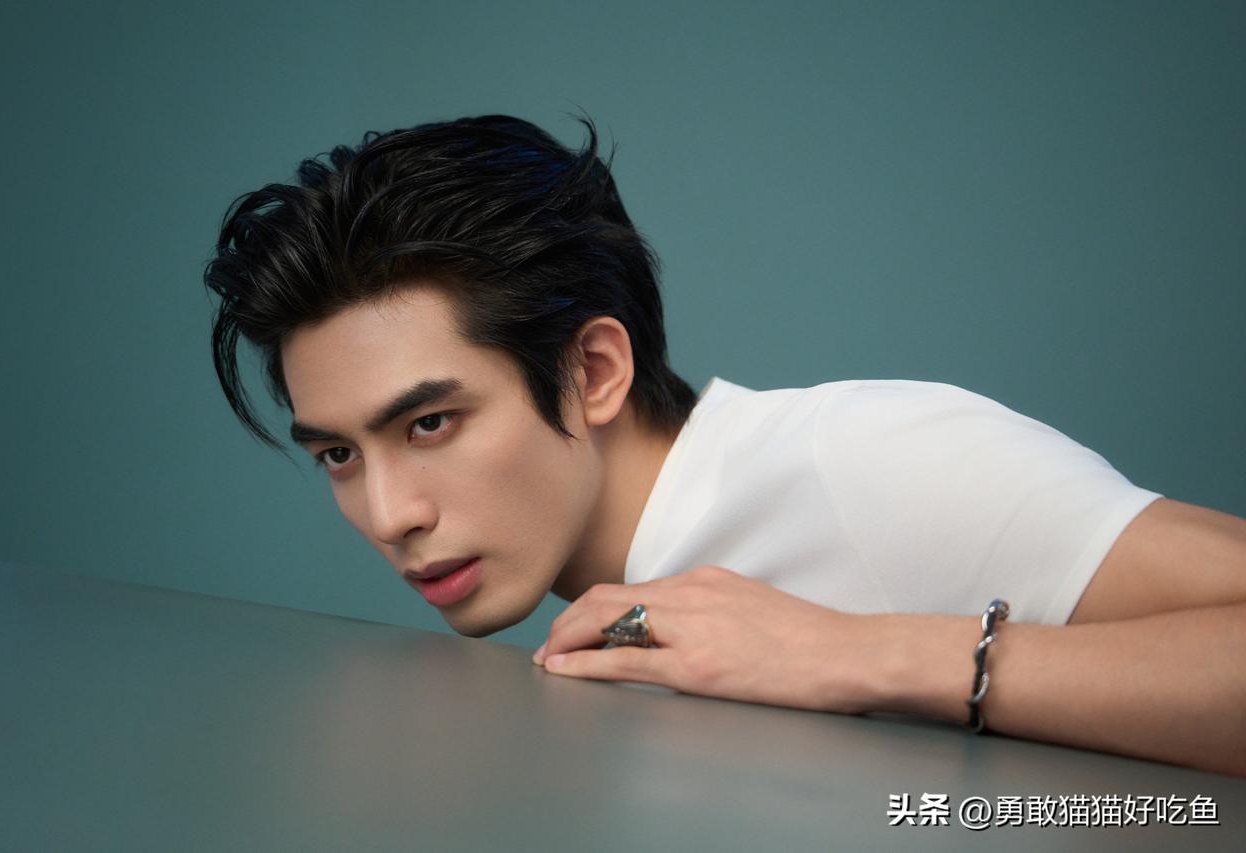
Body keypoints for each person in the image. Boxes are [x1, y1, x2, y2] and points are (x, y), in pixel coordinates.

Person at [203, 114, 1246, 777]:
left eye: (429, 423)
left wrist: (859, 653)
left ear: (593, 370)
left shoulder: (864, 457)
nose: (390, 514)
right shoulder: (587, 642)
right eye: (338, 454)